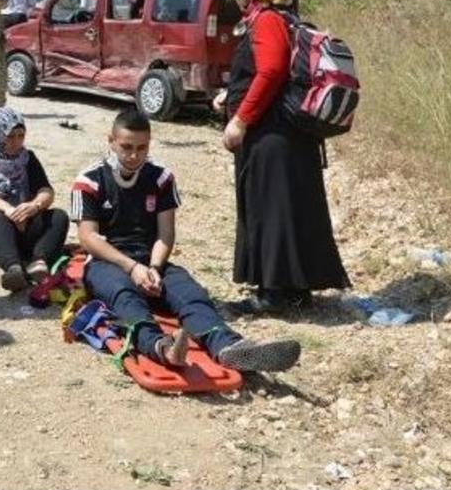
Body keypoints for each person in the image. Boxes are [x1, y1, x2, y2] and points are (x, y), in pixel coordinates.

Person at [73, 109, 302, 372]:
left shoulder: (161, 177)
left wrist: (155, 268)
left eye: (142, 147)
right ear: (111, 141)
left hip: (151, 261)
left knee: (192, 294)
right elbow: (88, 237)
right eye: (126, 147)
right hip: (107, 261)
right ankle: (161, 347)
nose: (134, 155)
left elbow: (165, 234)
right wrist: (132, 268)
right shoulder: (89, 180)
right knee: (125, 296)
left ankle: (229, 347)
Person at [220, 0, 350, 313]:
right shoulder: (278, 20)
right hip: (286, 137)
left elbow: (273, 70)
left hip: (272, 136)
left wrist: (241, 120)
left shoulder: (267, 20)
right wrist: (230, 95)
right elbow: (265, 73)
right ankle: (296, 289)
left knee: (270, 209)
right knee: (291, 209)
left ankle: (273, 294)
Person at [0, 107, 68, 291]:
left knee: (58, 216)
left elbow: (46, 190)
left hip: (21, 226)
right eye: (10, 136)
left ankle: (38, 262)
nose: (16, 142)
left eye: (20, 136)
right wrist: (7, 209)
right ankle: (13, 269)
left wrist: (34, 206)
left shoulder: (26, 158)